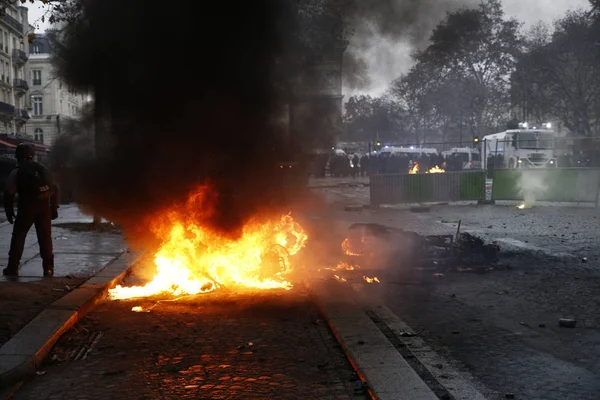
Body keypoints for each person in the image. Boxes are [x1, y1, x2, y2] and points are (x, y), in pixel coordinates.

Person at [3, 143, 58, 277]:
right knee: (45, 238)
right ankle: (48, 268)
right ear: (32, 155)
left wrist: (9, 212)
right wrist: (54, 208)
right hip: (44, 208)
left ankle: (13, 267)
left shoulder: (17, 170)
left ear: (17, 155)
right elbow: (54, 188)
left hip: (26, 208)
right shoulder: (41, 168)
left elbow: (9, 193)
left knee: (19, 237)